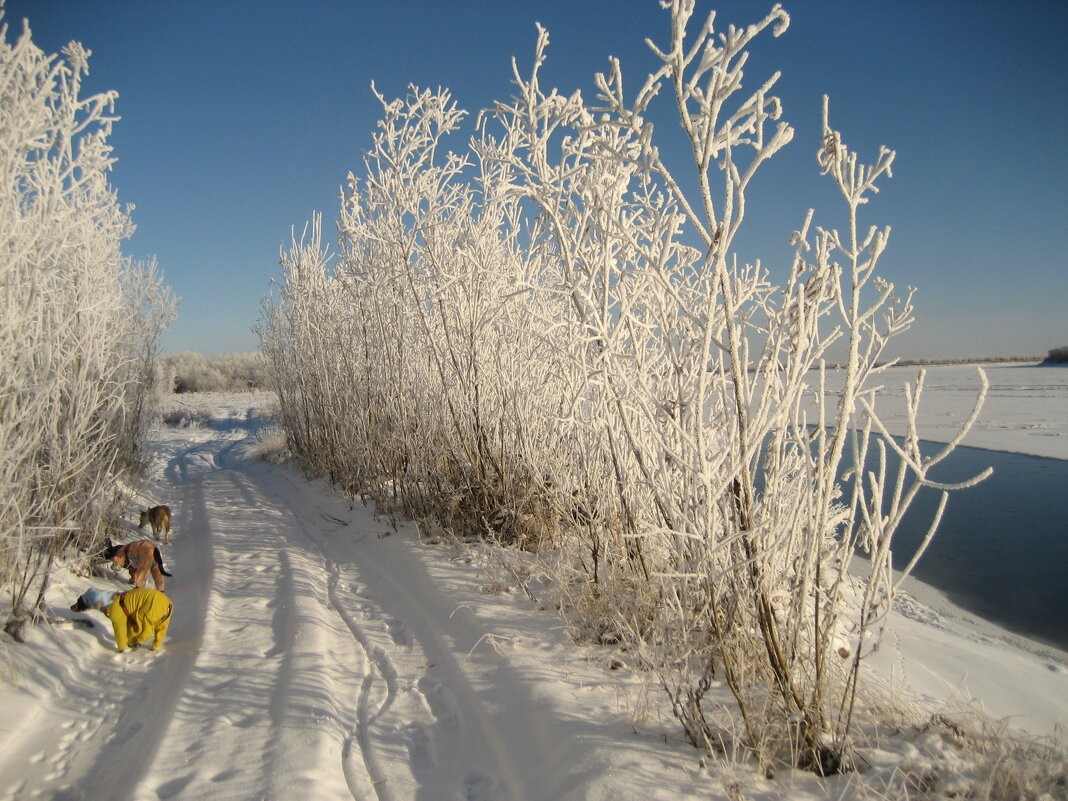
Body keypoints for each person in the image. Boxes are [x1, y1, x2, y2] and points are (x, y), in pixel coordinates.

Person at [70, 587, 173, 652]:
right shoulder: (119, 599)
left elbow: (120, 629)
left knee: (144, 621)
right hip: (165, 601)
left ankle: (138, 641)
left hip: (152, 602)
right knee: (161, 623)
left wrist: (121, 647)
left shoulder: (114, 608)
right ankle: (156, 645)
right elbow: (130, 624)